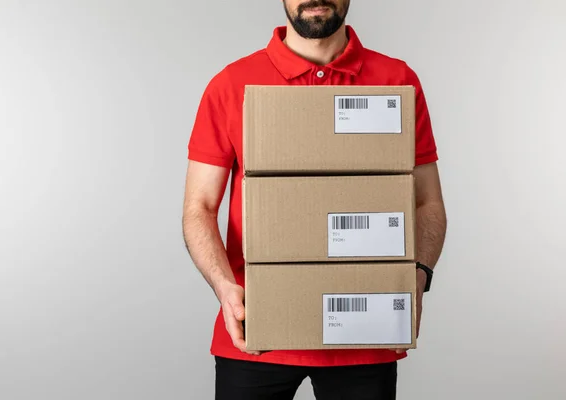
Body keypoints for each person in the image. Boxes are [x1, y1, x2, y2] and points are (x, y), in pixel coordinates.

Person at [182, 1, 447, 398]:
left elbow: (428, 202)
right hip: (257, 328)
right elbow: (199, 207)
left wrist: (417, 276)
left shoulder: (395, 80)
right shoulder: (233, 84)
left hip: (365, 338)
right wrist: (224, 287)